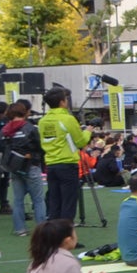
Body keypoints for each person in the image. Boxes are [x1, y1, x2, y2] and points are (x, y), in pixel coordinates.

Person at [39, 87, 90, 222]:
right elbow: (81, 142)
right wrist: (88, 130)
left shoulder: (43, 121)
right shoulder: (68, 119)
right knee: (68, 202)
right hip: (67, 164)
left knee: (55, 201)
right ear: (62, 102)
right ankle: (66, 236)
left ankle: (53, 236)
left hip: (51, 164)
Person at [0, 102, 46, 237]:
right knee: (38, 199)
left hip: (13, 166)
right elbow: (39, 147)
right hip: (30, 165)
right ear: (25, 112)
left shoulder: (5, 130)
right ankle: (41, 229)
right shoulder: (30, 128)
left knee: (18, 199)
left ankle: (20, 228)